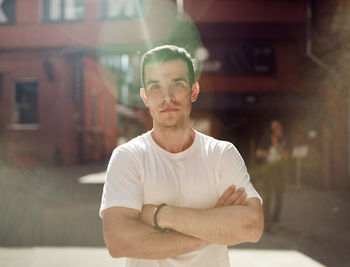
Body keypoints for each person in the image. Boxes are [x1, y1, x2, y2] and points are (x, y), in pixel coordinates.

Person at [99, 45, 263, 267]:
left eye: (177, 84)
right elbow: (119, 242)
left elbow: (251, 227)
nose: (167, 96)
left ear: (193, 92)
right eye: (156, 86)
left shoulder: (221, 154)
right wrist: (216, 227)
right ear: (145, 97)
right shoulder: (129, 157)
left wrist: (160, 215)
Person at [256, 119, 291, 232]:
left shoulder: (286, 139)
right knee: (268, 195)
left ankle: (276, 220)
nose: (275, 129)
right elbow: (258, 152)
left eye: (277, 127)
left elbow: (287, 156)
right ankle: (266, 222)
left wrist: (277, 146)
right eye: (273, 127)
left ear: (281, 127)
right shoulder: (267, 138)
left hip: (280, 172)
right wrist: (266, 154)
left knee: (279, 196)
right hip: (268, 171)